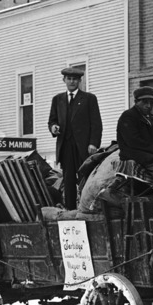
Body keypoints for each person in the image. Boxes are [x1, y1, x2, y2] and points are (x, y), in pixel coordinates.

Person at [47, 67, 102, 210]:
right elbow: (52, 120)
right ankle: (71, 211)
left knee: (86, 178)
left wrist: (93, 143)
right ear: (64, 80)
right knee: (68, 180)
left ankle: (87, 209)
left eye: (75, 79)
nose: (72, 82)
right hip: (66, 146)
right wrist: (53, 127)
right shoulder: (57, 99)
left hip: (84, 147)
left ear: (79, 81)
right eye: (69, 79)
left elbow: (96, 123)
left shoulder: (89, 98)